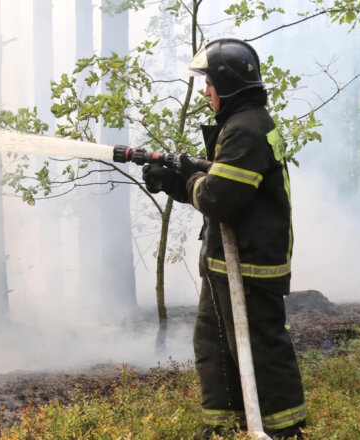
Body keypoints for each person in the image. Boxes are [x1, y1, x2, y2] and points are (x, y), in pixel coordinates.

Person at [142, 38, 306, 439]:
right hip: (227, 261)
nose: (206, 91)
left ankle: (285, 429)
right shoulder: (242, 124)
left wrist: (191, 177)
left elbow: (218, 197)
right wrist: (174, 182)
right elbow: (222, 188)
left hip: (249, 265)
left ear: (228, 83)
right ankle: (223, 427)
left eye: (210, 83)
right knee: (214, 343)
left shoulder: (247, 129)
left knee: (262, 348)